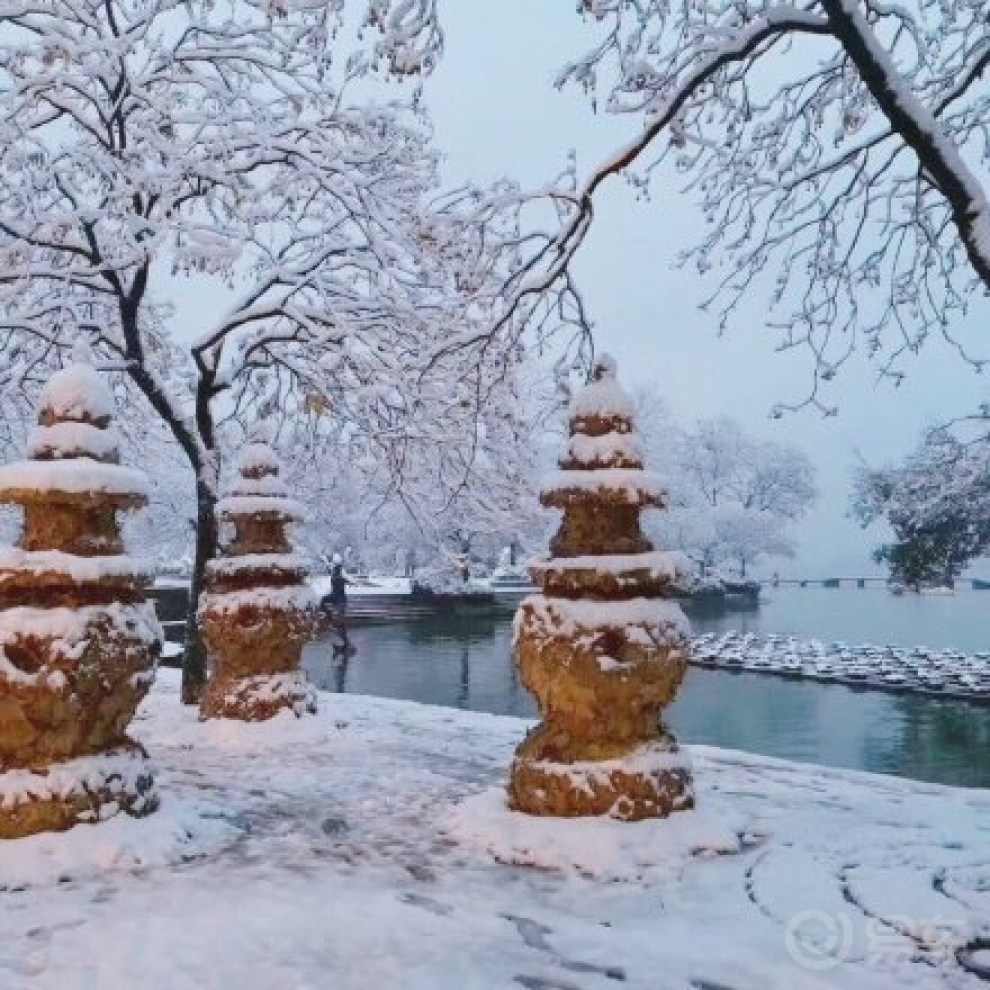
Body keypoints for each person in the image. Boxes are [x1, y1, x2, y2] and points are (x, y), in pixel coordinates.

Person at [321, 555, 351, 650]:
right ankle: (329, 617)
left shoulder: (339, 578)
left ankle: (346, 643)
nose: (334, 572)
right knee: (322, 600)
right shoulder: (334, 577)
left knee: (340, 621)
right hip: (334, 597)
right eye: (334, 570)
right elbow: (329, 568)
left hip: (341, 600)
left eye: (335, 570)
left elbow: (348, 581)